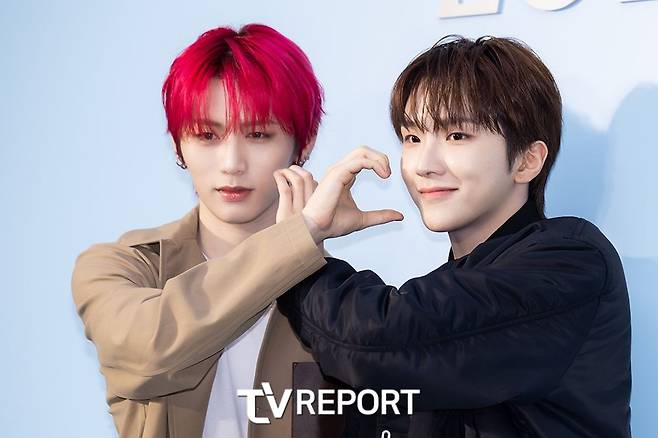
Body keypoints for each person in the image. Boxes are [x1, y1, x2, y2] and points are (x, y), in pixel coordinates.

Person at [277, 36, 632, 437]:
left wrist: (299, 257)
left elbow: (379, 340)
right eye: (413, 138)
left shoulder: (570, 262)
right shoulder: (448, 286)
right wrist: (305, 246)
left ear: (527, 160)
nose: (424, 165)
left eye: (457, 135)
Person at [71, 23, 395, 438]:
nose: (231, 163)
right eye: (207, 135)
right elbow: (150, 350)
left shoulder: (337, 301)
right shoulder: (122, 266)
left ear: (304, 142)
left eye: (258, 134)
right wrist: (303, 234)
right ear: (178, 144)